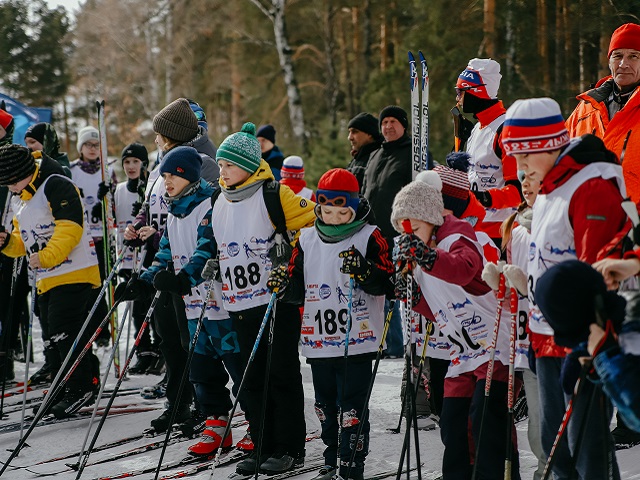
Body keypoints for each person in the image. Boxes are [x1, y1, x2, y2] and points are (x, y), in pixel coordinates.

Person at [502, 97, 626, 479]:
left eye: (524, 158)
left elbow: (599, 271)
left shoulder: (590, 185)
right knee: (557, 455)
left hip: (580, 343)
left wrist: (594, 340)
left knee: (587, 453)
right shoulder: (551, 186)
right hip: (545, 338)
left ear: (546, 146)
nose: (520, 170)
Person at [391, 172, 519, 480]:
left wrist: (428, 257)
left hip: (493, 346)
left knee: (485, 422)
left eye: (416, 228)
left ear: (432, 219)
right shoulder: (423, 251)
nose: (411, 235)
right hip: (461, 353)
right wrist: (412, 294)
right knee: (453, 425)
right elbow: (438, 310)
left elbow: (463, 270)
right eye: (405, 230)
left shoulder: (455, 236)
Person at [117, 146, 244, 456]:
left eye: (172, 175)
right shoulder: (175, 212)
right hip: (194, 309)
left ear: (188, 176)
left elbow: (206, 252)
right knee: (201, 371)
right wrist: (142, 283)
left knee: (240, 370)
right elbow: (165, 254)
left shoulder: (208, 206)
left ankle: (258, 422)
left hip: (222, 307)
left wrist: (181, 280)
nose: (167, 181)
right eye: (164, 176)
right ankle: (217, 427)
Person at [268, 168, 393, 480]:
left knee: (351, 408)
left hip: (358, 340)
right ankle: (331, 456)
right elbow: (297, 287)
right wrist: (284, 285)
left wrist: (364, 271)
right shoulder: (307, 238)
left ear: (352, 208)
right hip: (318, 338)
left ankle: (353, 462)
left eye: (342, 211)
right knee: (325, 406)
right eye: (327, 210)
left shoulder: (368, 235)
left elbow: (387, 282)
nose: (334, 217)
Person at [210, 122, 315, 474]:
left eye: (228, 165)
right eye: (220, 165)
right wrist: (209, 260)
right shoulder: (218, 199)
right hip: (237, 304)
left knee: (281, 375)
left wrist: (290, 258)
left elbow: (311, 226)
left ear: (248, 165)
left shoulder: (274, 194)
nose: (222, 171)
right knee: (249, 380)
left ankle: (288, 448)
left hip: (275, 302)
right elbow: (214, 240)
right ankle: (262, 442)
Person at [0, 144, 101, 418]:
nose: (10, 188)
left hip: (75, 271)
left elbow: (70, 228)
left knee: (63, 329)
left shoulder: (55, 184)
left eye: (11, 181)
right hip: (47, 277)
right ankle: (64, 384)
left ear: (23, 172)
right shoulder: (23, 197)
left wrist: (46, 257)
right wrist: (8, 242)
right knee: (51, 336)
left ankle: (80, 387)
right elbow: (25, 242)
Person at [500, 172, 545, 480]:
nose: (526, 185)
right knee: (538, 421)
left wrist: (529, 287)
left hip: (556, 339)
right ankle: (546, 468)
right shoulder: (514, 228)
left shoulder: (554, 220)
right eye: (523, 179)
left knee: (554, 414)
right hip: (526, 339)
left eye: (534, 179)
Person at [566, 23, 640, 205]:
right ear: (609, 61)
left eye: (633, 56)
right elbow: (558, 160)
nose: (624, 63)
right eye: (618, 56)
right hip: (586, 215)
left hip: (633, 220)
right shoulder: (586, 108)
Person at [362, 105, 413, 359]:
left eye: (394, 121)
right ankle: (378, 339)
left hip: (399, 233)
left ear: (404, 125)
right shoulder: (376, 154)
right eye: (385, 122)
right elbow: (366, 190)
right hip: (372, 232)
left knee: (394, 286)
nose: (388, 126)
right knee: (377, 285)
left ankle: (393, 343)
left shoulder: (413, 153)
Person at [455, 58, 522, 247]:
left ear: (477, 92)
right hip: (474, 228)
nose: (457, 99)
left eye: (460, 92)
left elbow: (519, 191)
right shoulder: (477, 129)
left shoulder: (506, 128)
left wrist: (486, 197)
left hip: (501, 232)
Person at [112, 142, 161, 375]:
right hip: (129, 257)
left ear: (144, 163)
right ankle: (143, 351)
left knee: (152, 307)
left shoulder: (151, 186)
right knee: (136, 310)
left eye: (135, 162)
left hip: (148, 255)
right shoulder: (119, 189)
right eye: (127, 162)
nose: (131, 166)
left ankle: (159, 352)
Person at [70, 125, 116, 348]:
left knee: (101, 287)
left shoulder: (107, 172)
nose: (92, 149)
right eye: (88, 144)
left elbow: (116, 206)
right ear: (80, 147)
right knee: (85, 287)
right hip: (80, 238)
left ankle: (103, 331)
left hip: (102, 238)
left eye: (96, 145)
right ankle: (86, 329)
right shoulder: (71, 170)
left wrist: (106, 203)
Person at [345, 113, 382, 190]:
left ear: (369, 134)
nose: (349, 137)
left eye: (354, 132)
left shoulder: (379, 160)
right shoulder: (356, 160)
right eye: (349, 132)